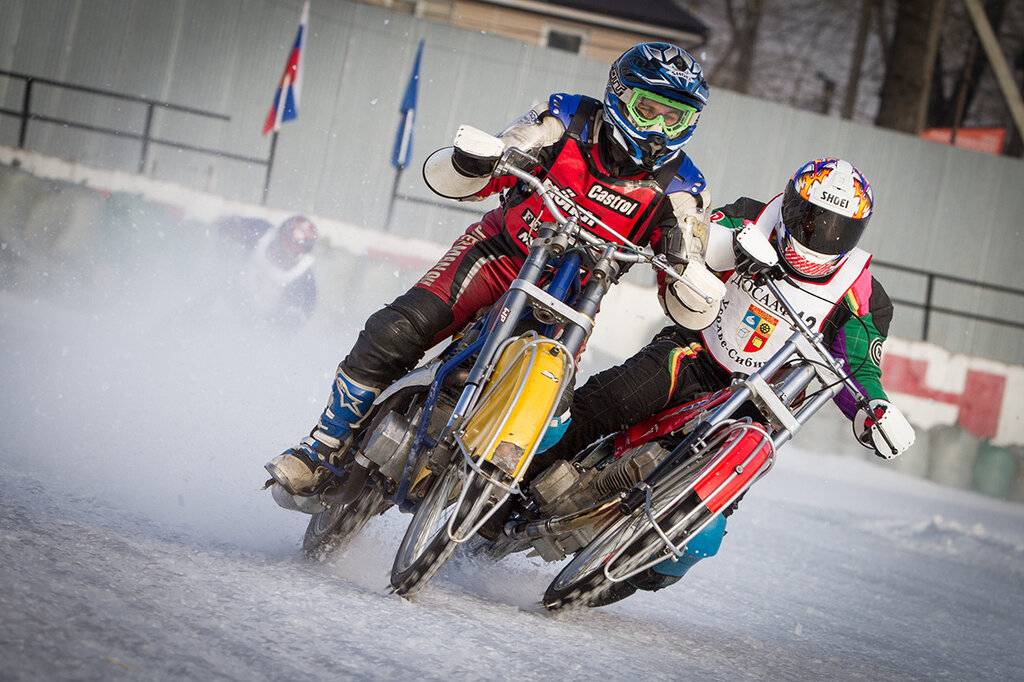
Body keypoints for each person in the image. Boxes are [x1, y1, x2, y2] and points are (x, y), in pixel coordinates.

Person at [266, 42, 721, 499]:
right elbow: (503, 154)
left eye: (675, 117)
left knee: (553, 416)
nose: (659, 128)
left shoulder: (683, 186)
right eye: (648, 109)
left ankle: (485, 508)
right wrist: (483, 158)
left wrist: (690, 270)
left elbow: (686, 261)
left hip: (571, 301)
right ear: (620, 95)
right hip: (498, 255)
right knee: (395, 329)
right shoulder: (566, 118)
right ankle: (319, 449)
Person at [542, 156, 917, 606]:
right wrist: (726, 249)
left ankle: (636, 572)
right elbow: (695, 241)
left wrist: (872, 407)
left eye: (838, 227)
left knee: (714, 513)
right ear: (792, 207)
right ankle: (510, 484)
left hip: (760, 405)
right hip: (697, 354)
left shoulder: (864, 295)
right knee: (613, 397)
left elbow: (858, 364)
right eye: (812, 219)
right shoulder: (752, 216)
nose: (821, 234)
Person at [216, 214, 318, 326]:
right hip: (228, 297)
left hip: (259, 324)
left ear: (301, 254)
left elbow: (296, 320)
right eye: (281, 247)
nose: (281, 256)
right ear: (278, 236)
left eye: (289, 253)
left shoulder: (303, 279)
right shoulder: (259, 231)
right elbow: (223, 227)